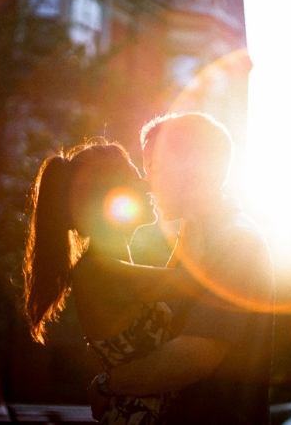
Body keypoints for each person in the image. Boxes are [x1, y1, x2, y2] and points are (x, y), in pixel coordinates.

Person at [89, 113, 275, 425]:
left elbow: (195, 356)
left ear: (195, 168)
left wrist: (108, 384)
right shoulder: (196, 240)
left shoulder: (237, 242)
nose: (146, 180)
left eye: (154, 167)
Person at [22, 140, 200, 425]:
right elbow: (190, 283)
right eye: (133, 177)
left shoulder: (107, 268)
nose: (146, 184)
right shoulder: (99, 274)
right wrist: (195, 208)